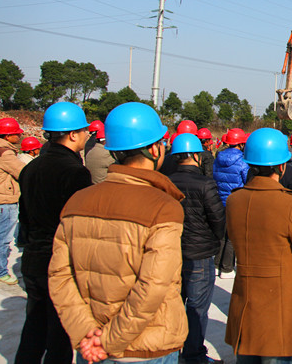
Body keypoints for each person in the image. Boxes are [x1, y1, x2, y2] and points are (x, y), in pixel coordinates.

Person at [49, 102, 188, 364]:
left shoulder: (77, 201)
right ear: (154, 148)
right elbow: (153, 286)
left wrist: (86, 333)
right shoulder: (163, 207)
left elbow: (60, 276)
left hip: (91, 345)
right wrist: (109, 341)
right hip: (146, 347)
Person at [225, 128, 292, 363]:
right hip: (279, 310)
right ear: (281, 166)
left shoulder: (234, 200)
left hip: (245, 307)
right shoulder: (290, 204)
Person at [15, 103, 92, 364]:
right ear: (72, 134)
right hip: (60, 263)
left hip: (33, 259)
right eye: (84, 130)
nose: (86, 135)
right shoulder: (75, 173)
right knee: (60, 335)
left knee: (34, 328)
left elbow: (24, 218)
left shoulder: (30, 168)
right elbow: (80, 226)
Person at [168, 133, 226, 364]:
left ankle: (173, 354)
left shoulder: (166, 182)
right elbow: (218, 219)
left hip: (172, 254)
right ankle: (194, 356)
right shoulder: (205, 184)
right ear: (196, 155)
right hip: (200, 256)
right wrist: (214, 240)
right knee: (197, 308)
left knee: (173, 306)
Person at [213, 128, 248, 278]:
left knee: (221, 234)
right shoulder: (242, 161)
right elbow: (246, 180)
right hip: (236, 201)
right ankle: (227, 268)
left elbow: (214, 176)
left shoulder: (218, 158)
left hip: (220, 200)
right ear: (241, 144)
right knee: (232, 236)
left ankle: (216, 264)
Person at [0, 116, 25, 285]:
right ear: (7, 136)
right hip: (5, 201)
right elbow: (22, 172)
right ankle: (0, 271)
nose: (19, 136)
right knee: (3, 239)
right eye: (16, 134)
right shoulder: (5, 153)